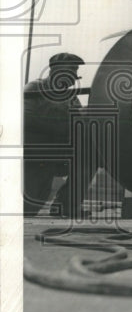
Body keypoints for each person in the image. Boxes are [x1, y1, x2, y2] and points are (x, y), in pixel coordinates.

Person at [22, 53, 99, 217]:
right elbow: (25, 119)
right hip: (36, 154)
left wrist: (84, 116)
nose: (74, 75)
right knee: (28, 208)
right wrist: (63, 126)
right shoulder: (35, 89)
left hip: (60, 152)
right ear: (56, 71)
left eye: (75, 70)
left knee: (91, 155)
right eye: (71, 69)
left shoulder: (70, 97)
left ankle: (67, 205)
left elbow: (78, 121)